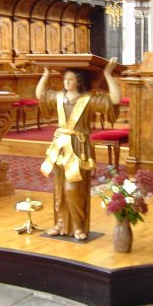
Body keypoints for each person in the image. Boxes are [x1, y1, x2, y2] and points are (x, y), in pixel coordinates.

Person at [35, 58, 121, 240]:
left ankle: (78, 226)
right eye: (65, 79)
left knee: (73, 188)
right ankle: (60, 224)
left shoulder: (87, 100)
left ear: (79, 81)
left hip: (78, 147)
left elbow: (114, 99)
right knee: (59, 189)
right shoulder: (59, 97)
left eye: (71, 79)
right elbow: (40, 95)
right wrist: (46, 73)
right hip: (60, 146)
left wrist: (107, 74)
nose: (67, 82)